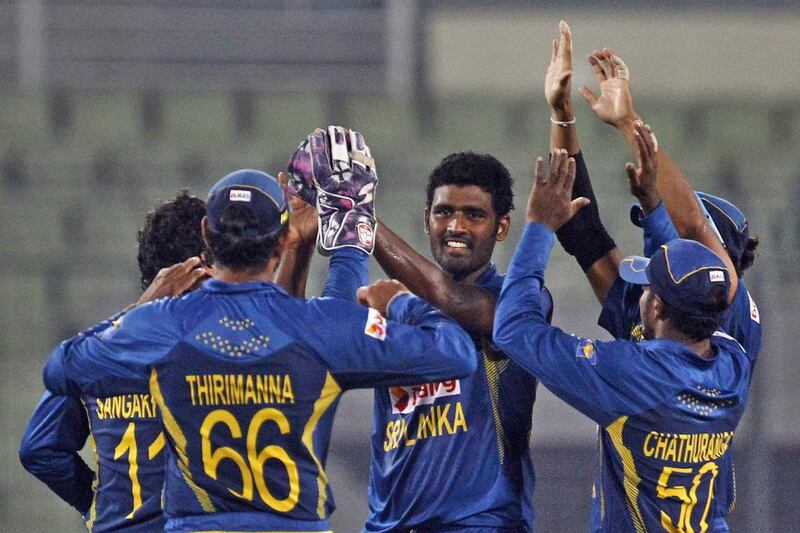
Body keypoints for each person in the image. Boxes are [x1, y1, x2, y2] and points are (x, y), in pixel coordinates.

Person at [42, 130, 478, 533]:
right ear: (281, 239)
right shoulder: (314, 329)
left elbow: (61, 367)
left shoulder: (161, 326)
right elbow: (455, 353)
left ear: (206, 235)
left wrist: (143, 307)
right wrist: (393, 292)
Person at [285, 136, 552, 532]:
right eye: (444, 212)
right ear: (427, 217)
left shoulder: (519, 303)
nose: (456, 226)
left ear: (502, 227)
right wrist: (298, 244)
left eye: (474, 215)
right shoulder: (391, 304)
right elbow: (296, 352)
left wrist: (362, 219)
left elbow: (454, 301)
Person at [493, 149, 753, 532]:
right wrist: (652, 207)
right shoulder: (734, 363)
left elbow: (512, 328)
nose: (640, 294)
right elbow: (690, 288)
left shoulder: (632, 373)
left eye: (647, 288)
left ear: (658, 308)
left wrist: (538, 227)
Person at [20, 191, 208, 532]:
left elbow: (39, 447)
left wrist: (97, 505)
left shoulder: (98, 354)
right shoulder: (224, 348)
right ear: (203, 268)